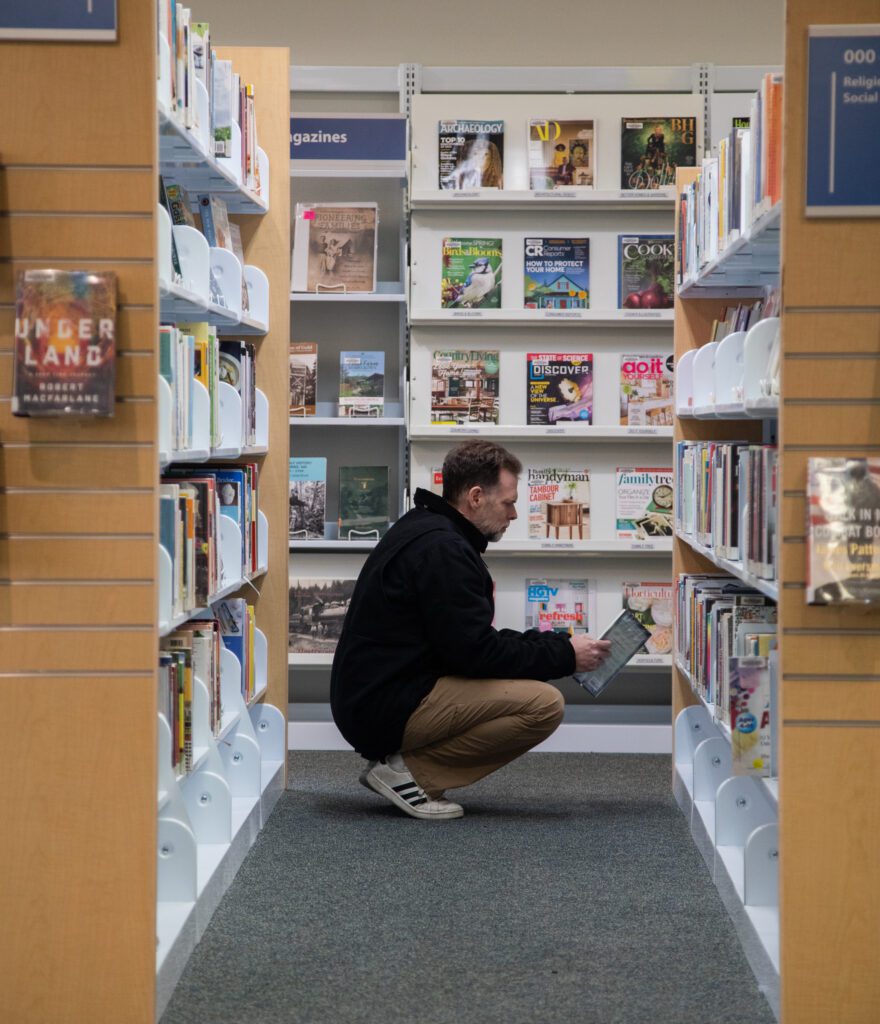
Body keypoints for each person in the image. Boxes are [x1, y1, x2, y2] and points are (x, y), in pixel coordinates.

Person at [330, 440, 611, 821]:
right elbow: (476, 655)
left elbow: (470, 639)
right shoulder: (444, 548)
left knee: (530, 690)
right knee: (543, 706)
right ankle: (410, 774)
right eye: (508, 502)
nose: (513, 514)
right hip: (385, 705)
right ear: (476, 497)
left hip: (379, 694)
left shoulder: (429, 529)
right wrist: (565, 656)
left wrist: (562, 645)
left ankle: (403, 769)